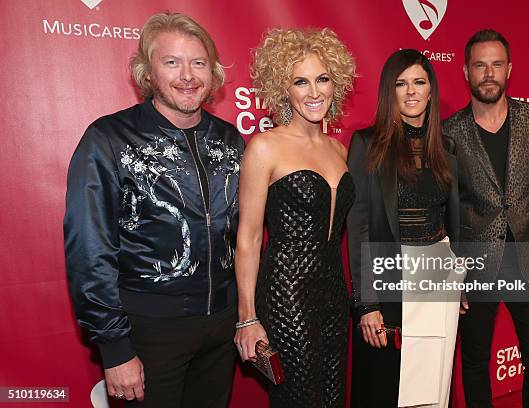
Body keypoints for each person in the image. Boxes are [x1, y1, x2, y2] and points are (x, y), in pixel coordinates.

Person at [64, 12, 244, 407]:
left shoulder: (231, 140)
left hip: (221, 329)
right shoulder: (108, 139)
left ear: (212, 73)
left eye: (198, 63)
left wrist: (246, 314)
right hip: (148, 332)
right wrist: (114, 346)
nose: (187, 75)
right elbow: (89, 250)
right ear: (148, 72)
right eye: (172, 62)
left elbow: (245, 236)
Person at [443, 29, 529, 408]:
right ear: (466, 72)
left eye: (496, 64)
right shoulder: (449, 132)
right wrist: (452, 275)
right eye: (480, 65)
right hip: (475, 267)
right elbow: (444, 211)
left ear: (509, 69)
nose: (488, 73)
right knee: (475, 363)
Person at [233, 28, 356, 408]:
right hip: (287, 292)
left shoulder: (338, 148)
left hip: (335, 292)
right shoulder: (265, 147)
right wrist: (247, 318)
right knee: (301, 399)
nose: (314, 92)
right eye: (300, 82)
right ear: (283, 88)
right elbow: (249, 238)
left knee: (334, 397)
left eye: (322, 79)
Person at [348, 49, 460, 408]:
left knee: (435, 379)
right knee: (388, 382)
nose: (411, 91)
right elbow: (359, 224)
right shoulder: (367, 144)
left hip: (440, 273)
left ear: (431, 90)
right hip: (391, 275)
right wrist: (367, 304)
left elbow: (453, 220)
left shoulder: (447, 146)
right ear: (389, 91)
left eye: (419, 82)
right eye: (401, 83)